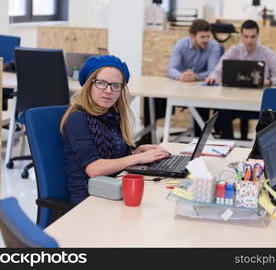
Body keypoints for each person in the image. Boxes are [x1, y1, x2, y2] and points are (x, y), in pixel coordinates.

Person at [60, 55, 171, 204]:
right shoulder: (77, 119)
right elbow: (94, 168)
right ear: (89, 85)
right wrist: (136, 158)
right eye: (101, 83)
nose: (108, 90)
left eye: (115, 86)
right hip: (88, 199)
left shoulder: (112, 115)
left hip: (113, 189)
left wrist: (135, 152)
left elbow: (111, 156)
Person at [206, 19, 276, 140]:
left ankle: (260, 149)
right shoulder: (234, 51)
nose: (249, 40)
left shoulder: (267, 53)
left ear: (258, 36)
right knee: (220, 111)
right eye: (246, 36)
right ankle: (229, 145)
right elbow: (217, 70)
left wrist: (269, 81)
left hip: (259, 104)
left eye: (253, 36)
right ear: (241, 36)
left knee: (274, 113)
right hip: (236, 101)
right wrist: (213, 78)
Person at [140, 19, 222, 143]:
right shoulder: (181, 44)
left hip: (200, 89)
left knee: (203, 103)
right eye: (202, 37)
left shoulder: (214, 46)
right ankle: (147, 137)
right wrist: (181, 76)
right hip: (179, 86)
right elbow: (171, 69)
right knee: (151, 98)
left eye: (208, 36)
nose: (206, 40)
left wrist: (195, 76)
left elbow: (212, 72)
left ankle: (199, 140)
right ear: (192, 36)